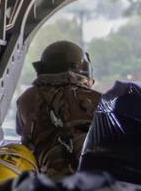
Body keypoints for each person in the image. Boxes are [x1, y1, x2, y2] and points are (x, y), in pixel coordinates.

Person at [15, 40, 102, 179]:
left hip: (45, 184)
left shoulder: (27, 98)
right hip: (94, 183)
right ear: (86, 71)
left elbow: (23, 137)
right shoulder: (97, 99)